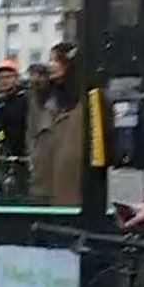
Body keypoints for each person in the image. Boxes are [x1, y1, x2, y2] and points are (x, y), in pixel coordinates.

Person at [29, 41, 82, 205]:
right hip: (41, 185)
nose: (51, 65)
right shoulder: (41, 98)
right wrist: (34, 157)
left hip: (72, 185)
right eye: (50, 60)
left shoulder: (86, 100)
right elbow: (31, 133)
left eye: (57, 60)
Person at [0, 59, 31, 200]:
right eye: (1, 78)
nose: (4, 81)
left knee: (28, 188)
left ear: (16, 78)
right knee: (6, 186)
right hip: (9, 148)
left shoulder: (26, 98)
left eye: (8, 77)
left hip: (27, 147)